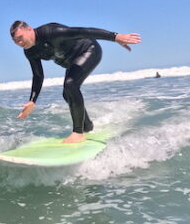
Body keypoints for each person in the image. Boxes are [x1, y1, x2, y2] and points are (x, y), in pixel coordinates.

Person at [10, 21, 141, 143]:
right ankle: (87, 126)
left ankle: (78, 133)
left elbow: (84, 31)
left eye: (20, 38)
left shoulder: (51, 32)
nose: (19, 43)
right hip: (72, 62)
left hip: (89, 50)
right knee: (67, 94)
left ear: (29, 29)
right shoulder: (29, 51)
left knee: (70, 85)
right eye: (16, 41)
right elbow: (38, 75)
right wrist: (32, 100)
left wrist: (115, 37)